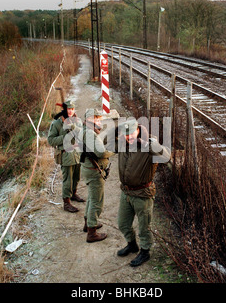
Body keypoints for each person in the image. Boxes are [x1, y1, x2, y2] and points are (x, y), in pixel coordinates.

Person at [116, 118, 170, 267]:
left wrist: (147, 143)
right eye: (126, 134)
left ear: (138, 130)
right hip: (126, 193)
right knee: (122, 223)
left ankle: (145, 252)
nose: (130, 137)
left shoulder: (149, 144)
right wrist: (114, 131)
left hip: (142, 194)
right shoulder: (123, 143)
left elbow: (166, 156)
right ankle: (132, 245)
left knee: (144, 227)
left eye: (132, 133)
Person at [80, 108, 114, 243]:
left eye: (99, 118)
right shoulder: (90, 134)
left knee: (91, 198)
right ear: (89, 120)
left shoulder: (86, 131)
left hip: (89, 168)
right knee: (97, 201)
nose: (98, 121)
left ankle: (88, 223)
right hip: (94, 171)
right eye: (96, 118)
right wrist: (112, 150)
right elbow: (101, 153)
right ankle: (92, 232)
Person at [47, 100, 84, 213]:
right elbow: (51, 140)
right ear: (64, 110)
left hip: (77, 153)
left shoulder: (78, 121)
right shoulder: (57, 124)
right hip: (65, 154)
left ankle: (73, 194)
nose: (70, 111)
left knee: (76, 177)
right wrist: (65, 136)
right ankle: (66, 203)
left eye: (72, 109)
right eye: (68, 109)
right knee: (68, 179)